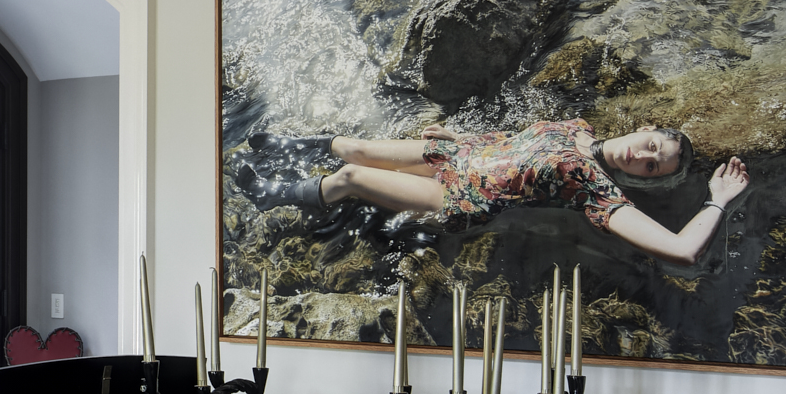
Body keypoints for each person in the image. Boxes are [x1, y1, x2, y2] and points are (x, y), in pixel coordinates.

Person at [316, 121, 750, 265]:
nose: (642, 156)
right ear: (644, 128)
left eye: (651, 166)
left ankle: (289, 194)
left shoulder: (595, 188)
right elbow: (518, 142)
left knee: (350, 176)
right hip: (455, 153)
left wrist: (718, 199)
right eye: (651, 145)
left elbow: (683, 251)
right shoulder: (577, 126)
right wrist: (463, 136)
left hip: (458, 197)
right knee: (352, 148)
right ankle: (286, 141)